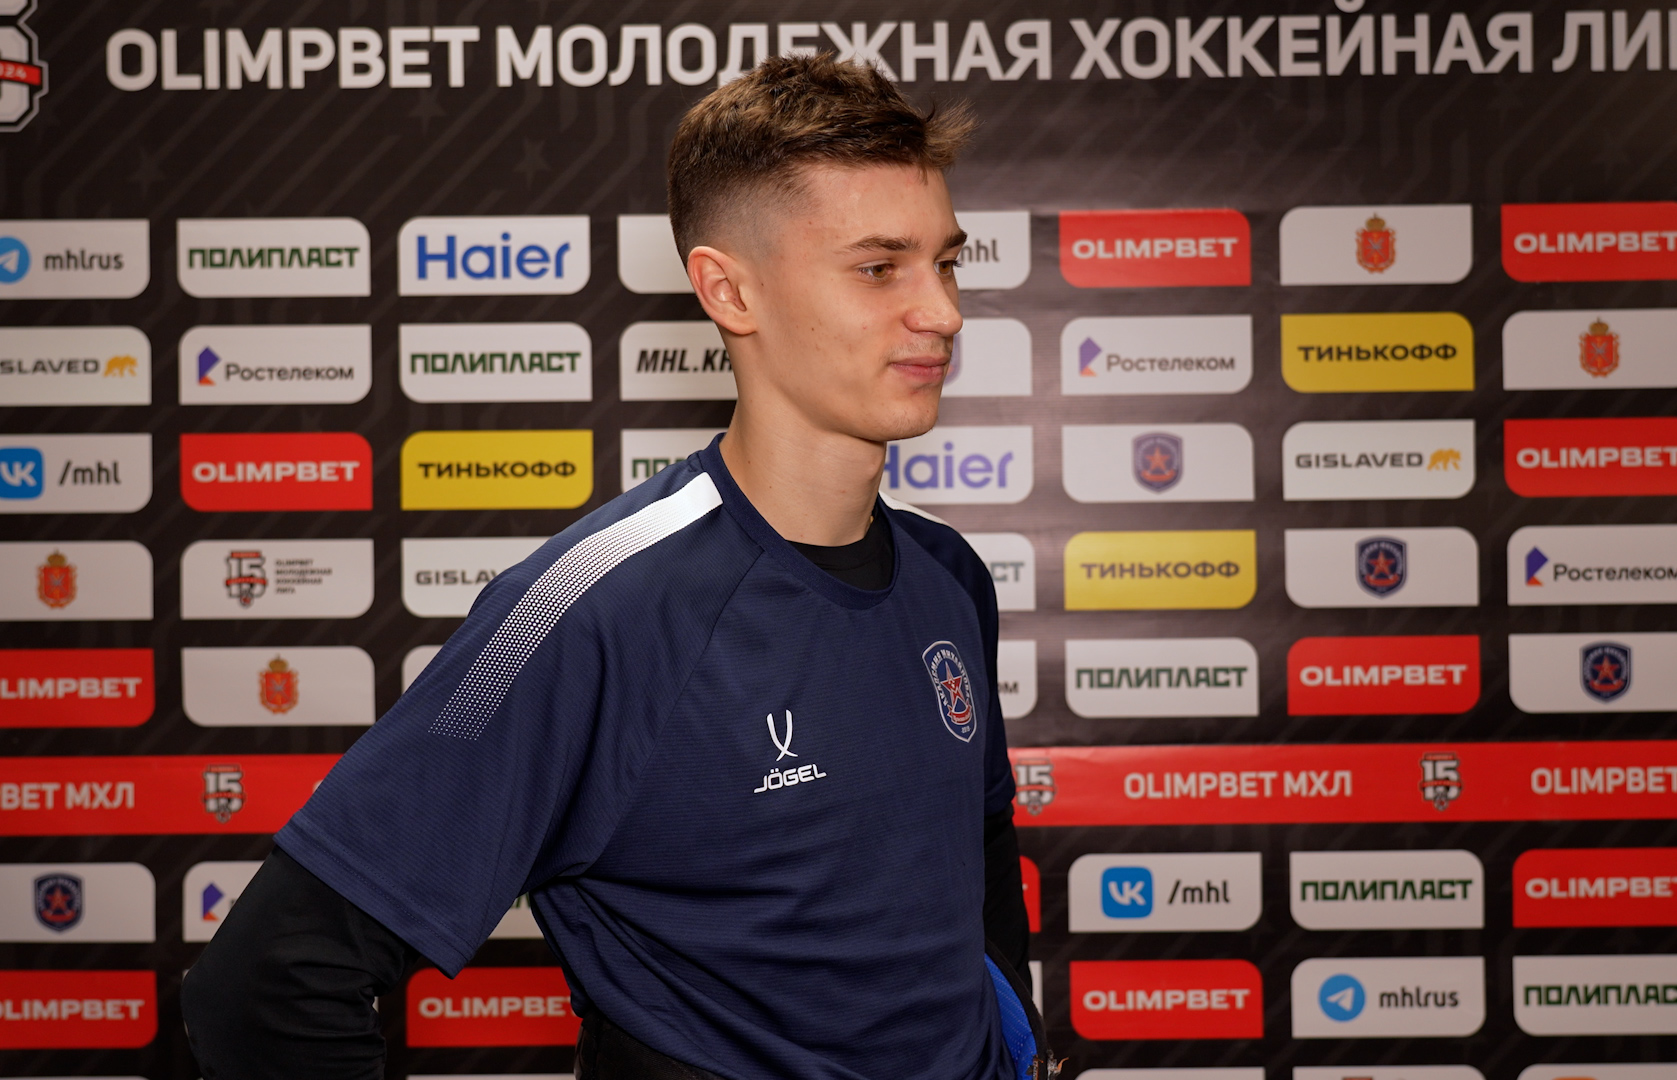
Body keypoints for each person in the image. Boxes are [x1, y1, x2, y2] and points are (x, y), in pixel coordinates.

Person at [182, 54, 1046, 1080]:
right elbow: (269, 985)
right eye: (879, 268)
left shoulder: (949, 574)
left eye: (946, 262)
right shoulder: (583, 608)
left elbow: (975, 851)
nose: (942, 312)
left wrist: (1021, 1045)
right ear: (729, 290)